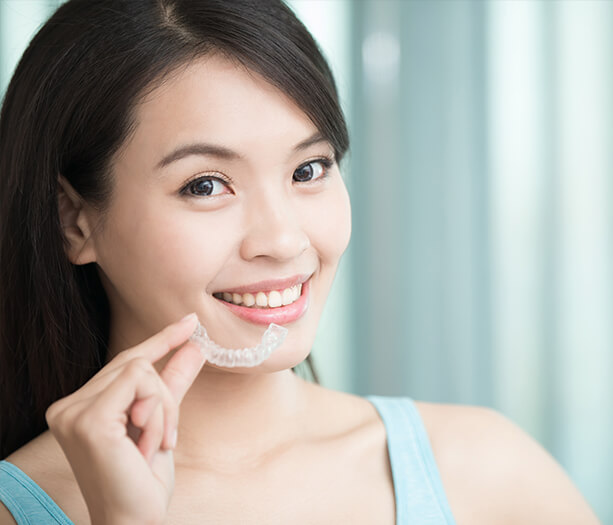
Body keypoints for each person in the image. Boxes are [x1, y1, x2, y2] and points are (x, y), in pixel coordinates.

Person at [0, 1, 600, 523]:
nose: (284, 240)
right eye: (206, 185)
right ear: (73, 222)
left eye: (308, 170)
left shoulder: (489, 474)